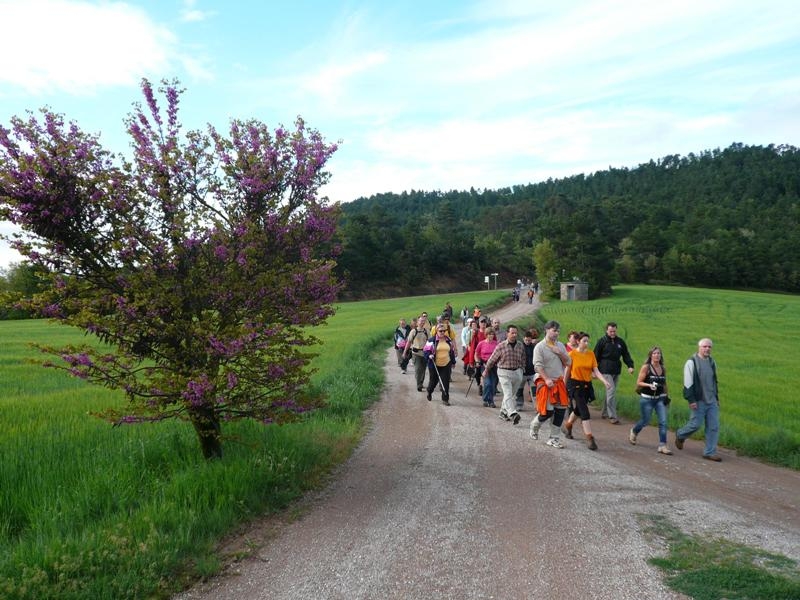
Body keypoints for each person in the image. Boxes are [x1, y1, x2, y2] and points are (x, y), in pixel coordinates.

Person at [562, 332, 611, 450]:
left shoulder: (591, 354)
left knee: (579, 409)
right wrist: (563, 387)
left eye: (588, 341)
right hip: (574, 385)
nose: (587, 343)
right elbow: (567, 372)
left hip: (586, 385)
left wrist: (604, 381)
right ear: (578, 341)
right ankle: (590, 438)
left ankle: (568, 425)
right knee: (584, 412)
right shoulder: (572, 354)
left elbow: (596, 371)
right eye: (584, 341)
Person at [675, 338, 721, 461]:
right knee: (695, 425)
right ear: (699, 347)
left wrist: (716, 398)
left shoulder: (712, 362)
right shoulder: (691, 362)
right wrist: (691, 400)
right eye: (704, 346)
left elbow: (714, 381)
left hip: (711, 400)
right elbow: (688, 383)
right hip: (699, 400)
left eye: (709, 347)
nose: (707, 349)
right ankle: (680, 435)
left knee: (713, 426)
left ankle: (709, 452)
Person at [530, 320, 571, 448]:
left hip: (558, 382)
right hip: (545, 382)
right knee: (547, 412)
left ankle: (554, 438)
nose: (556, 333)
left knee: (560, 410)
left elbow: (569, 362)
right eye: (554, 330)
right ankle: (534, 425)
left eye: (558, 331)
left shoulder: (560, 346)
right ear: (547, 330)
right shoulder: (540, 347)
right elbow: (537, 366)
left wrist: (559, 352)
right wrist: (547, 379)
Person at [629, 346, 672, 455]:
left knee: (663, 422)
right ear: (651, 355)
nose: (657, 355)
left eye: (659, 353)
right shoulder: (646, 367)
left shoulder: (663, 368)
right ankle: (634, 431)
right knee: (645, 420)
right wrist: (649, 385)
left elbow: (664, 384)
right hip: (647, 399)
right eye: (655, 353)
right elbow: (639, 382)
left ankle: (662, 445)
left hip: (660, 399)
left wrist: (667, 397)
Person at [593, 322, 635, 424]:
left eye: (614, 331)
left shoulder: (620, 342)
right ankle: (612, 416)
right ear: (606, 330)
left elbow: (626, 354)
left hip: (616, 370)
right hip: (605, 370)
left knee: (610, 393)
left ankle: (604, 413)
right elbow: (595, 356)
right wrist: (593, 371)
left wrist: (630, 366)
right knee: (611, 392)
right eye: (611, 331)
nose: (612, 333)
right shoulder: (602, 341)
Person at [484, 324, 526, 424]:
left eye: (516, 333)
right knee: (508, 393)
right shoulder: (501, 346)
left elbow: (523, 358)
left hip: (517, 372)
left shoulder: (520, 345)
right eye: (512, 333)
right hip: (504, 372)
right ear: (507, 333)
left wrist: (522, 369)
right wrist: (486, 370)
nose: (514, 335)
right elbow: (492, 360)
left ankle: (503, 412)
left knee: (511, 395)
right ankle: (513, 413)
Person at [423, 323, 457, 405]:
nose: (442, 332)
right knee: (433, 382)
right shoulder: (431, 340)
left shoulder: (448, 340)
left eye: (444, 331)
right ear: (436, 331)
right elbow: (425, 351)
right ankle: (429, 391)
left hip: (446, 364)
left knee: (445, 382)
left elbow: (451, 352)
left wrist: (453, 362)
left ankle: (445, 399)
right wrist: (429, 355)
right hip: (434, 364)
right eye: (440, 331)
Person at [474, 327, 499, 407]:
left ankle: (491, 401)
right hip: (484, 365)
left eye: (492, 334)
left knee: (493, 384)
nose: (491, 336)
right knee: (487, 383)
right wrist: (477, 361)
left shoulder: (496, 344)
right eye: (489, 334)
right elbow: (476, 354)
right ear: (486, 335)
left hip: (494, 366)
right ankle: (486, 399)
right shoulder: (481, 343)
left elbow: (500, 355)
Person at [404, 314, 430, 392]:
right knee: (418, 369)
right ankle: (419, 384)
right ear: (418, 322)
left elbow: (430, 342)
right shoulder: (413, 331)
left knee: (423, 369)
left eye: (423, 321)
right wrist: (404, 352)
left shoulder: (427, 331)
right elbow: (409, 342)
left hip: (425, 353)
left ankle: (421, 382)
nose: (422, 322)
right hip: (416, 353)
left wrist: (431, 352)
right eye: (421, 321)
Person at [515, 328, 539, 410]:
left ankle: (537, 407)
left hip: (532, 372)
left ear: (531, 339)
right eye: (526, 340)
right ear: (523, 339)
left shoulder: (534, 347)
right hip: (522, 372)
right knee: (519, 389)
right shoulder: (519, 347)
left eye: (529, 340)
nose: (528, 342)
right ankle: (519, 405)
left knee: (534, 391)